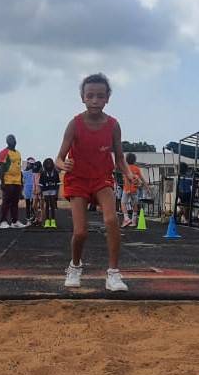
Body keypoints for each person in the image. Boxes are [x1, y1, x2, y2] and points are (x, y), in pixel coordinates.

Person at [57, 73, 132, 292]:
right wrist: (64, 165)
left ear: (107, 98)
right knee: (80, 232)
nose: (95, 100)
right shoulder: (75, 124)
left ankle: (113, 273)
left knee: (111, 220)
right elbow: (59, 158)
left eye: (100, 96)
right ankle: (75, 266)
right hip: (78, 180)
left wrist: (128, 173)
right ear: (82, 97)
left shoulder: (113, 125)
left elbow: (120, 158)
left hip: (102, 178)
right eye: (90, 96)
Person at [0, 134, 27, 228]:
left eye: (13, 139)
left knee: (15, 202)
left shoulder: (18, 153)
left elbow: (18, 168)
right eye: (10, 139)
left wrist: (21, 181)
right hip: (8, 181)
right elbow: (1, 168)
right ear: (7, 142)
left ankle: (15, 221)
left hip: (17, 181)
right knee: (6, 202)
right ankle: (3, 221)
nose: (12, 141)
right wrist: (2, 182)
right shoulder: (3, 152)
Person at [120, 153, 144, 228]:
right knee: (134, 205)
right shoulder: (137, 168)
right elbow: (142, 179)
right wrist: (147, 187)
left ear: (126, 160)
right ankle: (133, 222)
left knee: (123, 203)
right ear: (134, 160)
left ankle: (126, 218)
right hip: (135, 189)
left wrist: (128, 189)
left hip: (127, 189)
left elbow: (126, 179)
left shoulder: (126, 168)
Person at [39, 158, 61, 227]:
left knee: (52, 205)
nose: (49, 164)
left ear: (52, 164)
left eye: (50, 163)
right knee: (47, 205)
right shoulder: (43, 173)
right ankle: (47, 221)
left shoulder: (55, 172)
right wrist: (41, 193)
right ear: (45, 164)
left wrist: (57, 193)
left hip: (53, 190)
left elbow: (58, 183)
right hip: (45, 190)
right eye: (47, 163)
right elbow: (41, 183)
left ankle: (53, 221)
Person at [22, 157, 37, 224]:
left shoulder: (35, 172)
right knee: (28, 205)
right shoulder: (23, 172)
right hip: (27, 190)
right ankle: (28, 219)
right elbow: (22, 182)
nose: (31, 165)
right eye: (30, 163)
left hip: (33, 190)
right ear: (27, 163)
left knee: (33, 205)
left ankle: (34, 218)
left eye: (32, 164)